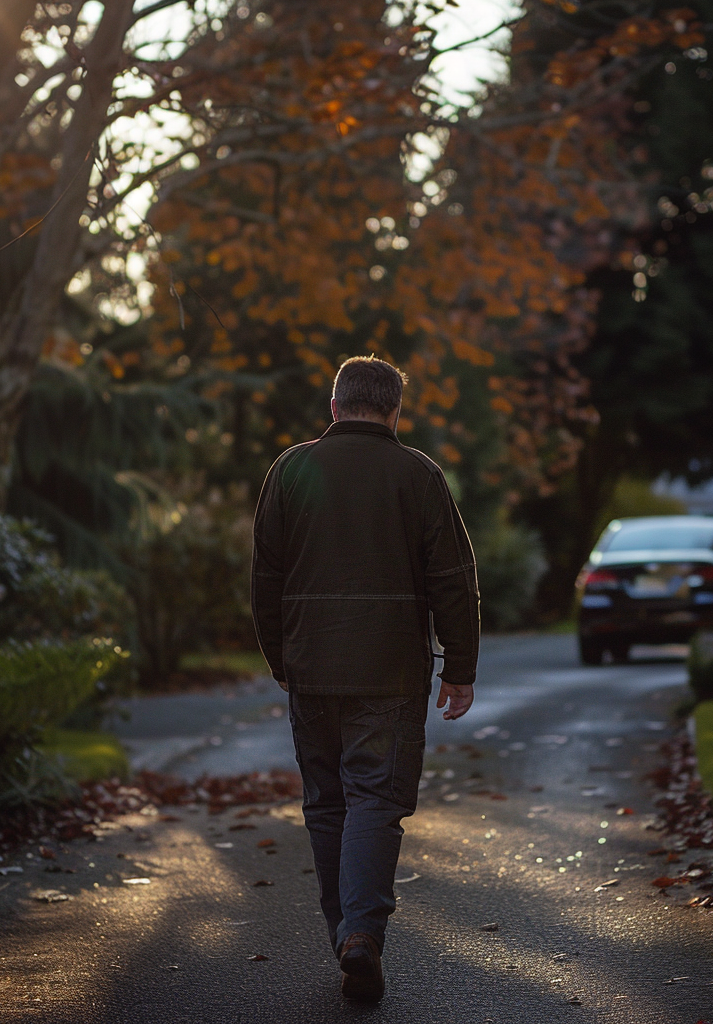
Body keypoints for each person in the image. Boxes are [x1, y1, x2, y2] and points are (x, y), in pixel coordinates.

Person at [251, 355, 479, 1003]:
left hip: (312, 668)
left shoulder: (290, 471)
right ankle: (361, 934)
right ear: (394, 412)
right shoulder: (418, 475)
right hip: (390, 672)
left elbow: (265, 579)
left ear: (334, 407)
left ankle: (347, 937)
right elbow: (452, 580)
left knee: (328, 804)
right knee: (376, 798)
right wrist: (459, 666)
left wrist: (281, 658)